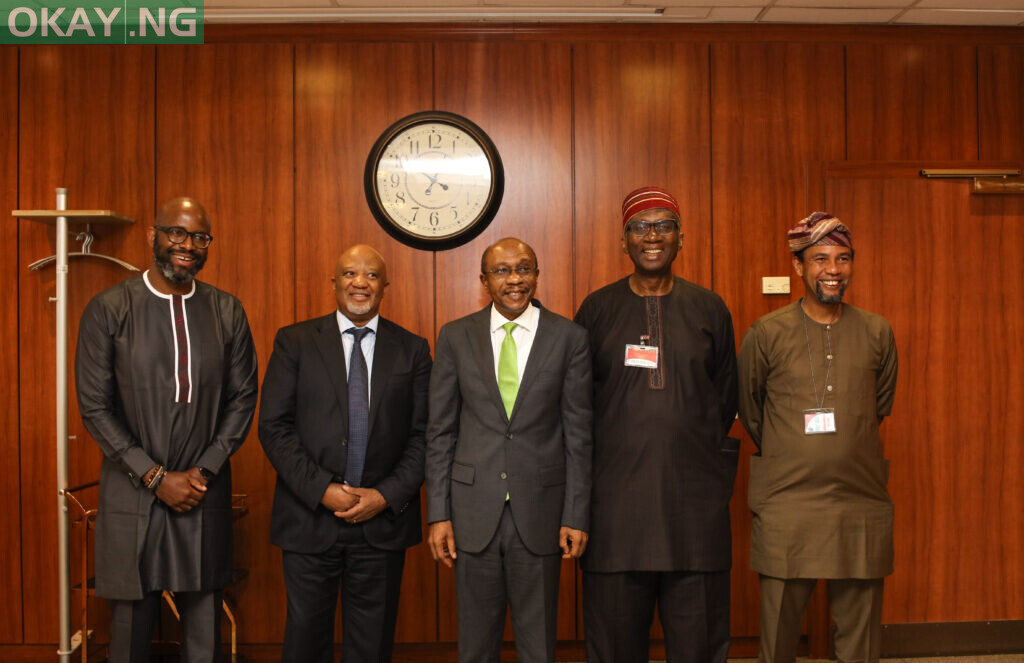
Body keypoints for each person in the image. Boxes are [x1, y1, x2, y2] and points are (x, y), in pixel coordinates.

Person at [75, 197, 258, 663]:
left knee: (203, 630)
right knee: (131, 627)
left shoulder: (227, 311)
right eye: (176, 232)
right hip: (133, 490)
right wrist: (155, 476)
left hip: (203, 489)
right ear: (152, 236)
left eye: (199, 237)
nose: (187, 245)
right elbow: (95, 407)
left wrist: (202, 471)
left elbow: (243, 400)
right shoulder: (110, 308)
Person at [574, 186, 739, 663]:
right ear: (623, 241)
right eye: (640, 227)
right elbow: (580, 406)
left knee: (700, 647)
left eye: (664, 225)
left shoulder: (709, 308)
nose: (653, 236)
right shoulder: (597, 310)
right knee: (614, 649)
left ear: (681, 238)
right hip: (616, 515)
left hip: (695, 512)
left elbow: (725, 399)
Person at [737, 212, 898, 663]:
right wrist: (795, 450)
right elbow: (751, 410)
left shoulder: (876, 331)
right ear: (799, 267)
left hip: (858, 497)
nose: (833, 269)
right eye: (821, 258)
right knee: (779, 635)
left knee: (860, 636)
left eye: (843, 258)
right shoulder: (767, 333)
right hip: (788, 500)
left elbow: (876, 407)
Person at [258, 244, 431, 663]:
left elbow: (425, 436)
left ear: (384, 286)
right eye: (350, 274)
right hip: (309, 518)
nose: (360, 282)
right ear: (334, 283)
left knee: (371, 646)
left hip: (382, 524)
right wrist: (322, 490)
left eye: (371, 275)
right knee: (304, 642)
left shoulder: (413, 349)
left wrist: (385, 496)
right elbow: (274, 427)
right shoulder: (295, 342)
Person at [425, 237, 592, 663]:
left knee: (538, 647)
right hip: (471, 513)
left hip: (540, 512)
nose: (514, 279)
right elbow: (440, 432)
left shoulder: (569, 338)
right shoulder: (455, 336)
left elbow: (578, 433)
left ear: (537, 274)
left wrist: (576, 513)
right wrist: (439, 513)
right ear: (484, 280)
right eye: (502, 271)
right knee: (476, 646)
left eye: (524, 268)